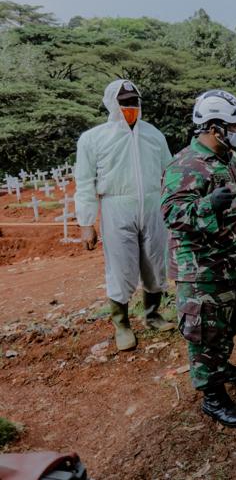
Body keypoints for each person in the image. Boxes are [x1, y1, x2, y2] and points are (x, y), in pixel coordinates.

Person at [161, 89, 236, 428]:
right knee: (206, 332)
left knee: (228, 324)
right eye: (235, 126)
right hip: (205, 270)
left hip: (234, 265)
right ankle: (213, 396)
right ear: (215, 127)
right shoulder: (186, 164)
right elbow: (172, 213)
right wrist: (207, 205)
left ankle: (223, 366)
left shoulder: (227, 159)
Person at [74, 79, 174, 352]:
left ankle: (153, 314)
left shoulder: (154, 135)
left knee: (155, 260)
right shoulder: (94, 139)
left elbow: (169, 172)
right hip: (116, 207)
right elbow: (84, 183)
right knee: (121, 266)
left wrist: (172, 206)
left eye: (134, 102)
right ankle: (121, 323)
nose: (130, 107)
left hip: (153, 206)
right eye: (124, 102)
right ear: (111, 103)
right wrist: (86, 223)